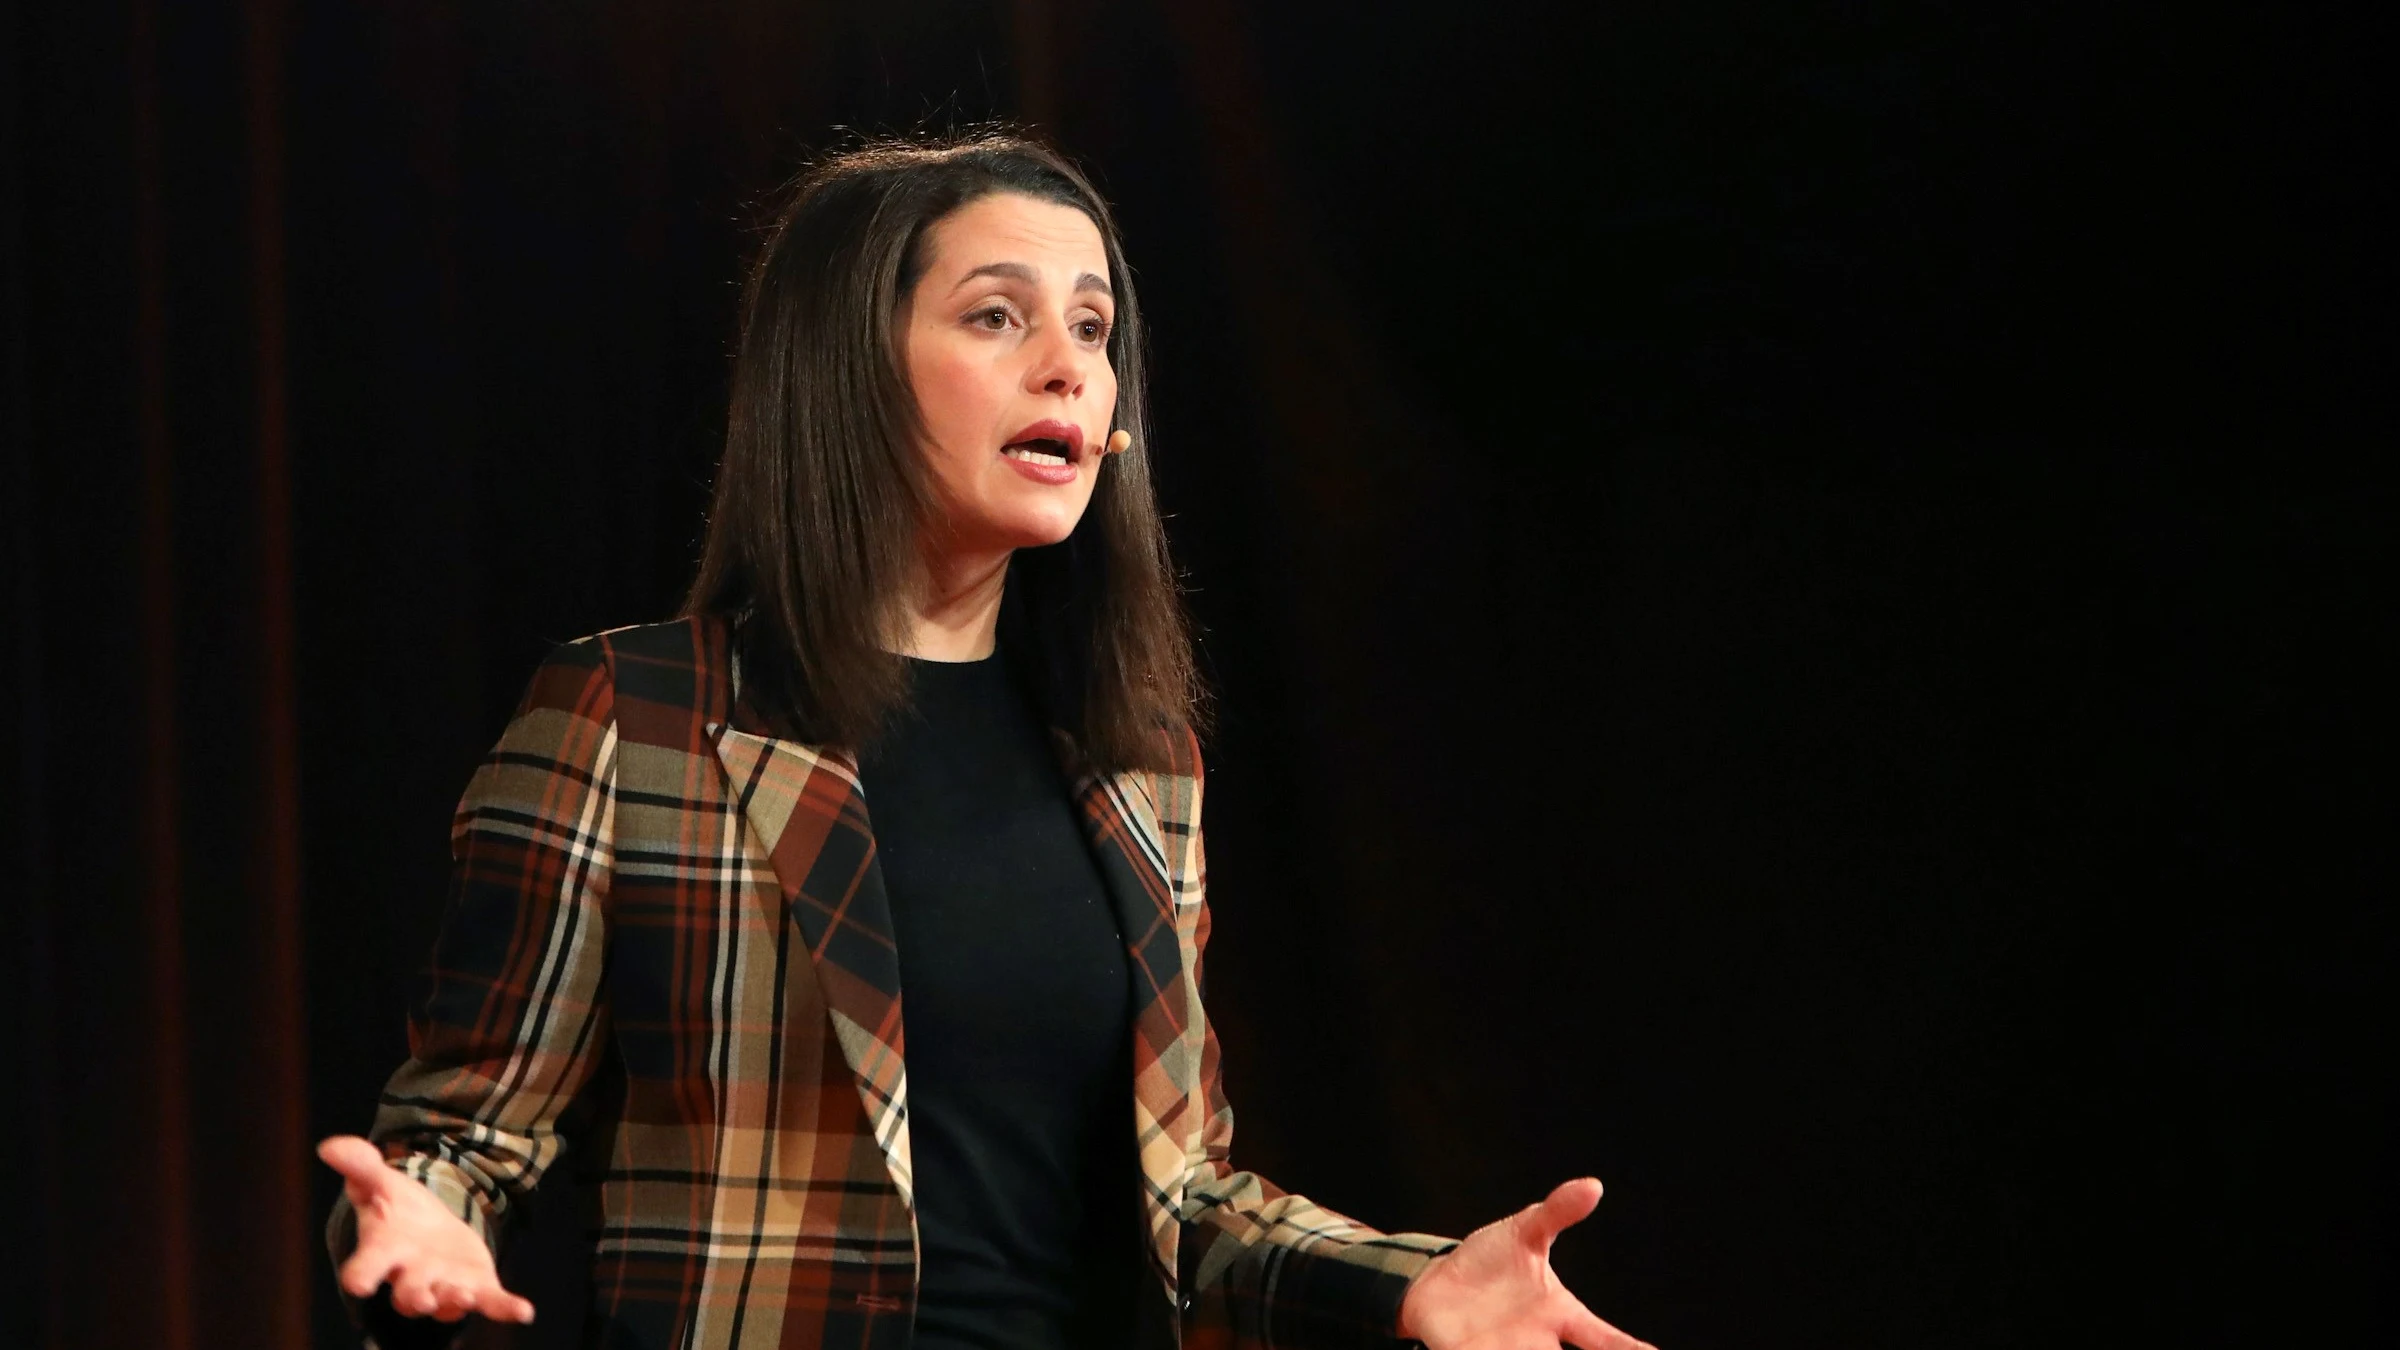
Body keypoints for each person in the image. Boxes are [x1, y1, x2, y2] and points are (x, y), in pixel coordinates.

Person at [317, 133, 1652, 1350]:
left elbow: (1181, 1196)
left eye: (1092, 324)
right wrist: (421, 1223)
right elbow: (462, 1138)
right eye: (997, 315)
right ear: (847, 366)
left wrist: (1408, 1280)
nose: (1069, 363)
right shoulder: (637, 714)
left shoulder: (1140, 763)